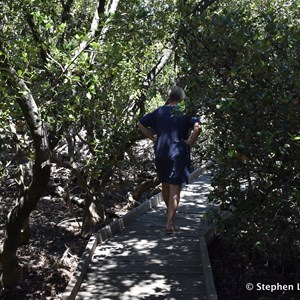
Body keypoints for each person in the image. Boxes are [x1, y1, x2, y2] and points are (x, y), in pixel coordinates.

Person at [137, 86, 201, 233]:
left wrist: (152, 138)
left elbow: (140, 123)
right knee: (175, 188)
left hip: (161, 152)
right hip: (178, 152)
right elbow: (197, 127)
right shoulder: (184, 112)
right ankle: (169, 224)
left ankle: (170, 221)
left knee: (165, 185)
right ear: (181, 98)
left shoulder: (159, 111)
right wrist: (190, 142)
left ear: (169, 96)